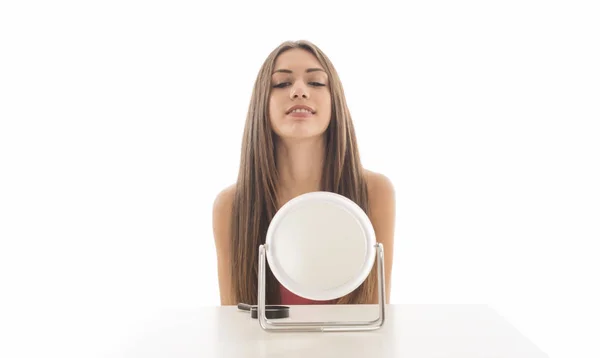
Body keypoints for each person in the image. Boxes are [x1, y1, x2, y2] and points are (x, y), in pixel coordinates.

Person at [212, 40, 396, 306]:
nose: (299, 91)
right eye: (282, 84)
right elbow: (232, 322)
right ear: (262, 101)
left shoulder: (375, 192)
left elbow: (376, 313)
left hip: (353, 349)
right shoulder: (231, 206)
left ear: (335, 101)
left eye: (316, 83)